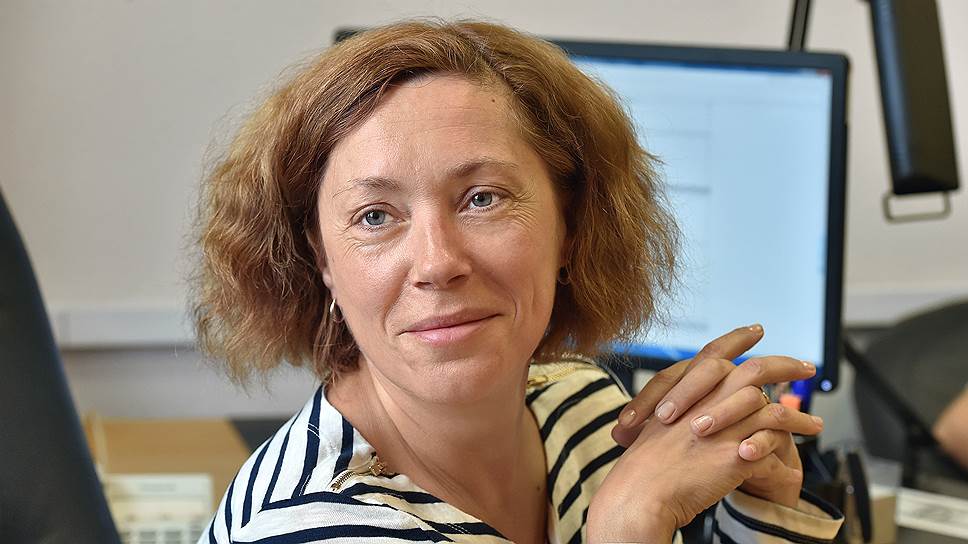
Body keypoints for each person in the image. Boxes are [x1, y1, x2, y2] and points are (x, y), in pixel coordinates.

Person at [192, 20, 843, 543]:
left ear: (570, 225)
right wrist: (625, 529)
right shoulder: (312, 527)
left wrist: (761, 504)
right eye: (376, 216)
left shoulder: (581, 407)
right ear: (323, 261)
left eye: (482, 199)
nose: (437, 263)